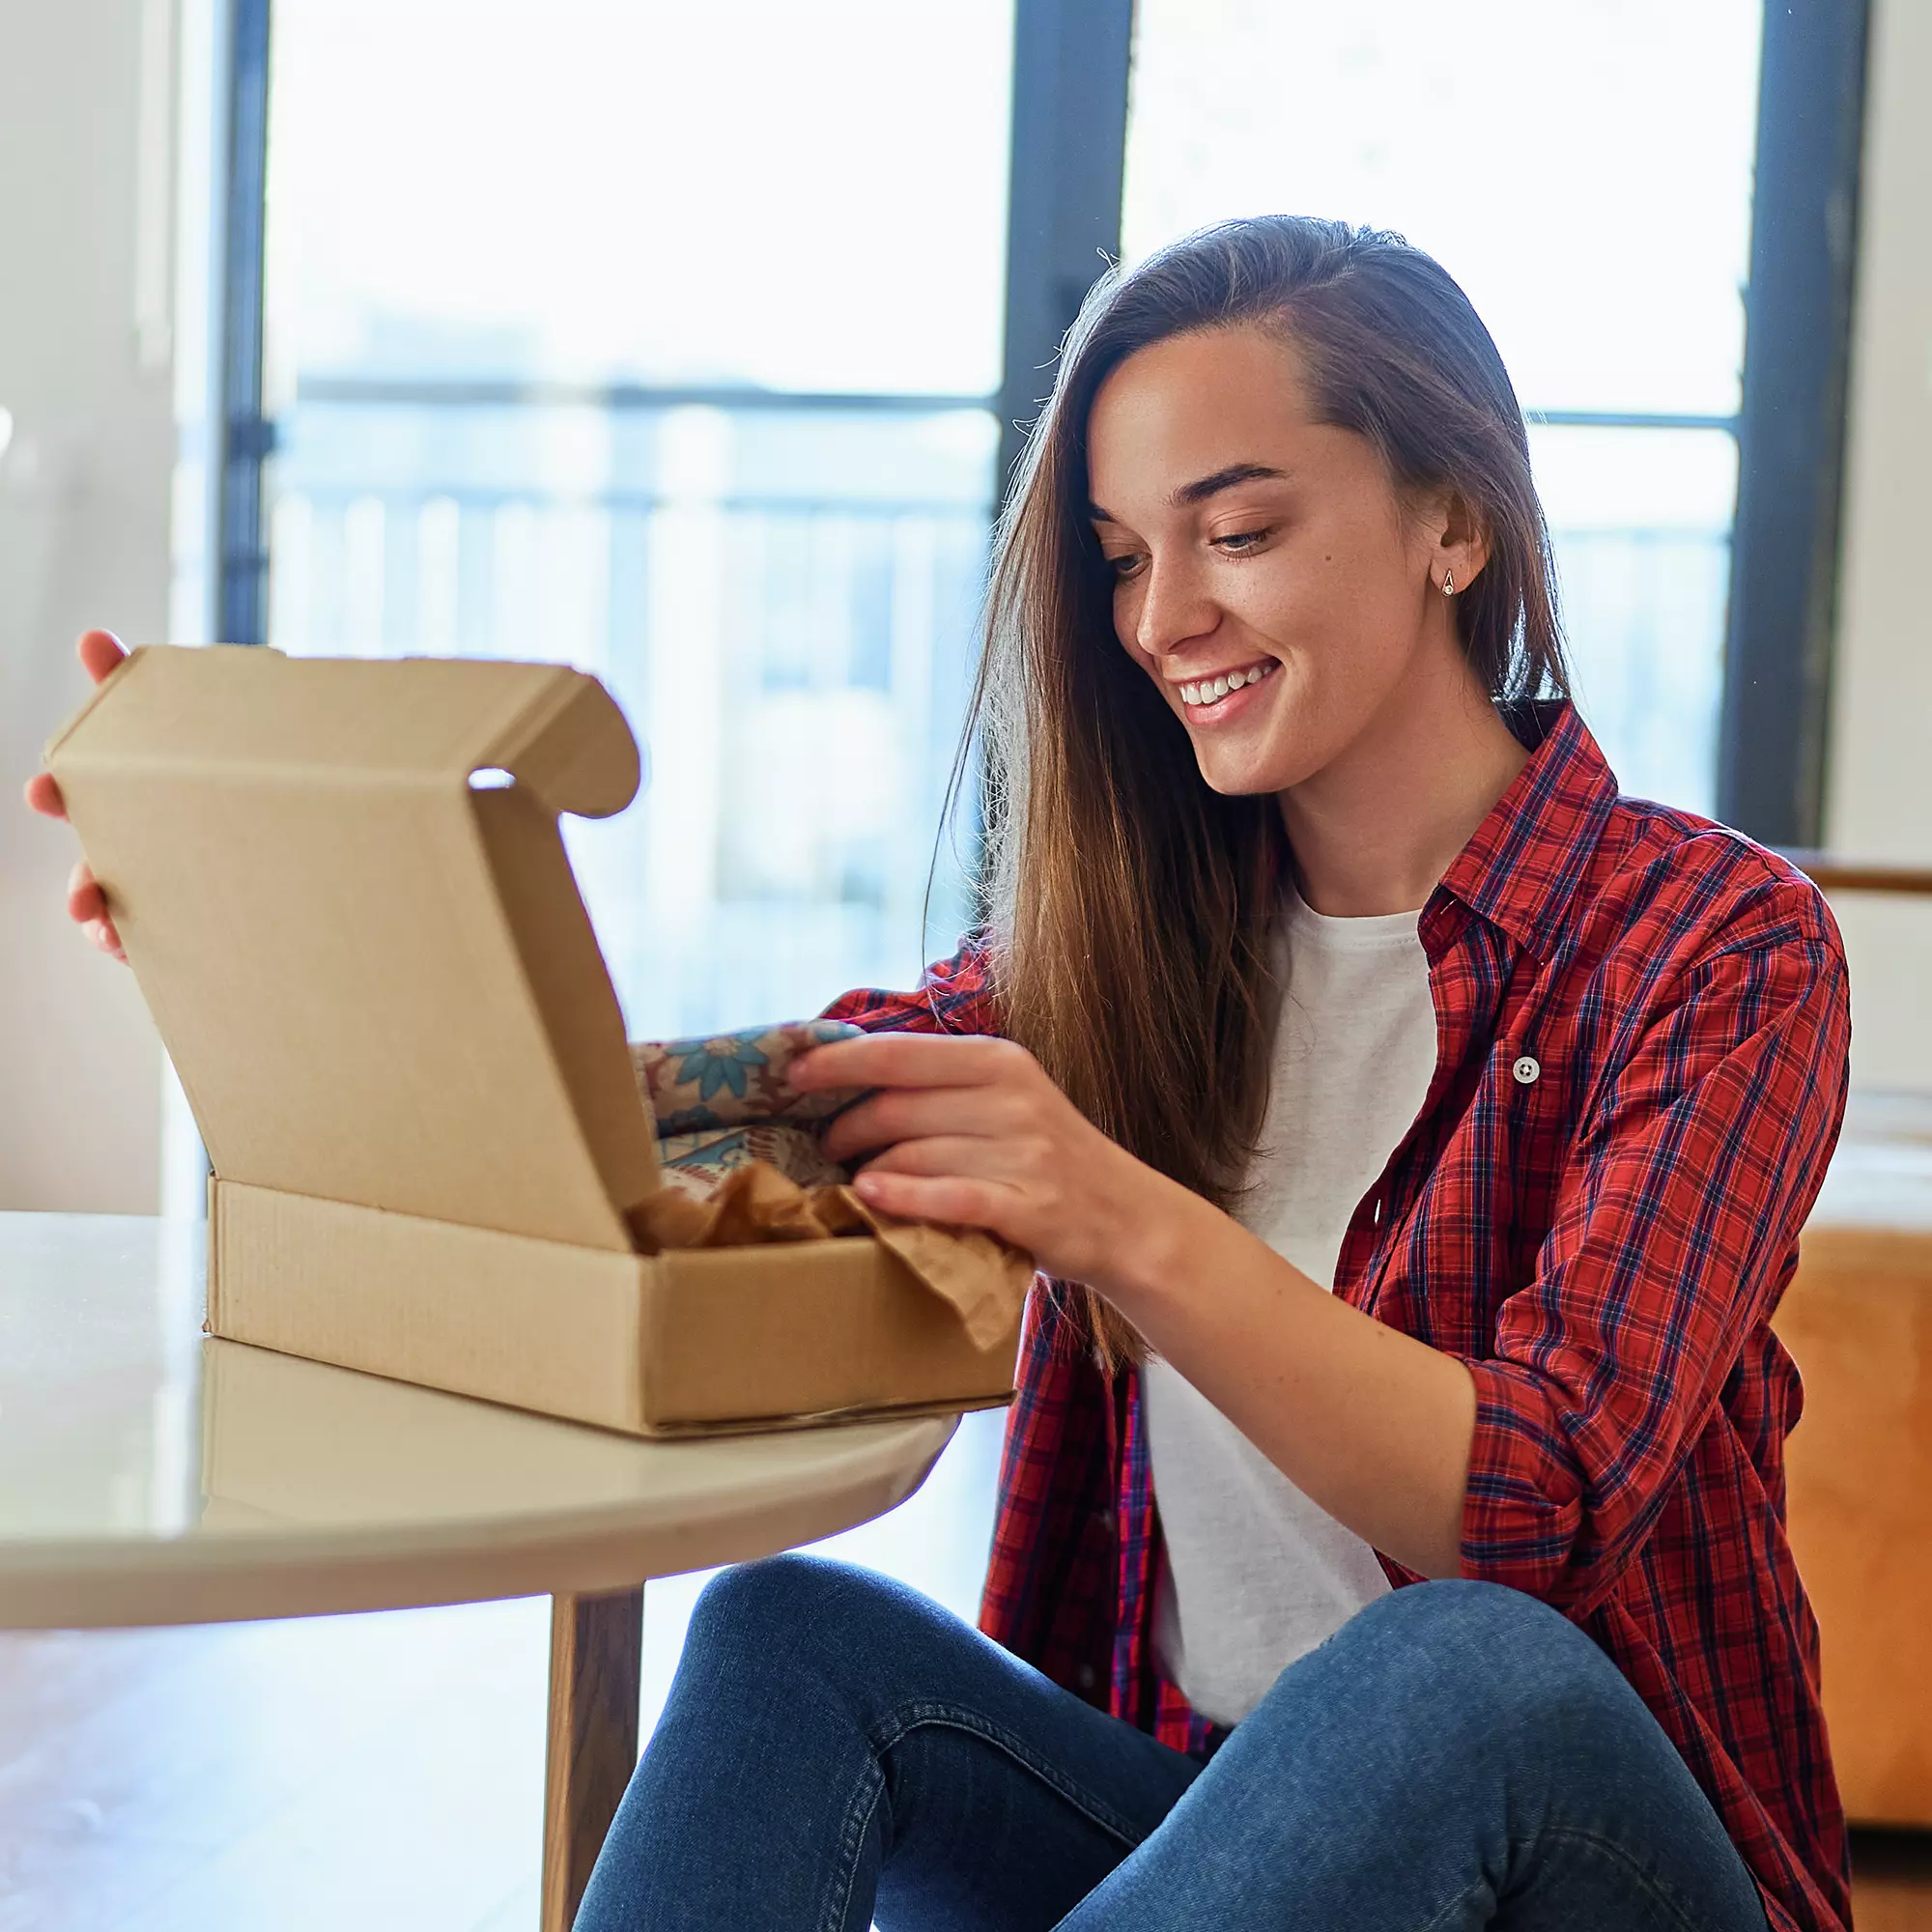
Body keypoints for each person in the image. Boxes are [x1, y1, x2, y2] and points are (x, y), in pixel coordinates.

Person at [28, 217, 1851, 1932]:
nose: (1162, 622)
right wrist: (270, 918)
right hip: (1213, 1826)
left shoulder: (1716, 948)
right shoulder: (1111, 960)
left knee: (1459, 1660)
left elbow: (1539, 1502)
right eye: (1128, 559)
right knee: (790, 1637)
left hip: (1582, 1851)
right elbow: (727, 1111)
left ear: (1452, 520)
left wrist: (1121, 1218)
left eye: (1238, 531)